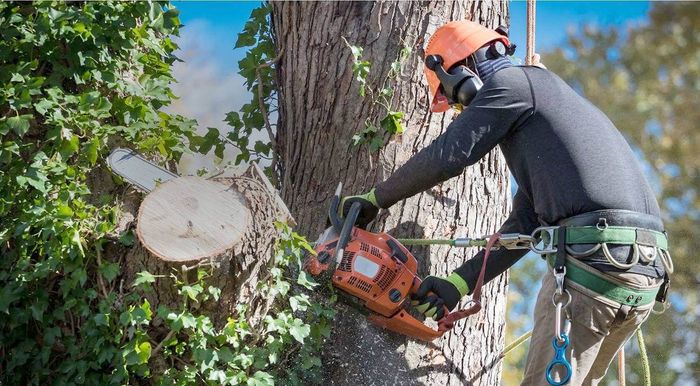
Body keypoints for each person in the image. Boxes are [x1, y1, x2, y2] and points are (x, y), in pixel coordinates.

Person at [340, 20, 671, 386]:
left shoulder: (511, 85)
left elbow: (450, 155)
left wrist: (375, 199)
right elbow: (525, 225)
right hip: (639, 274)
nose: (460, 111)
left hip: (594, 268)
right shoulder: (544, 107)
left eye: (454, 100)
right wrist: (457, 284)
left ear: (462, 76)